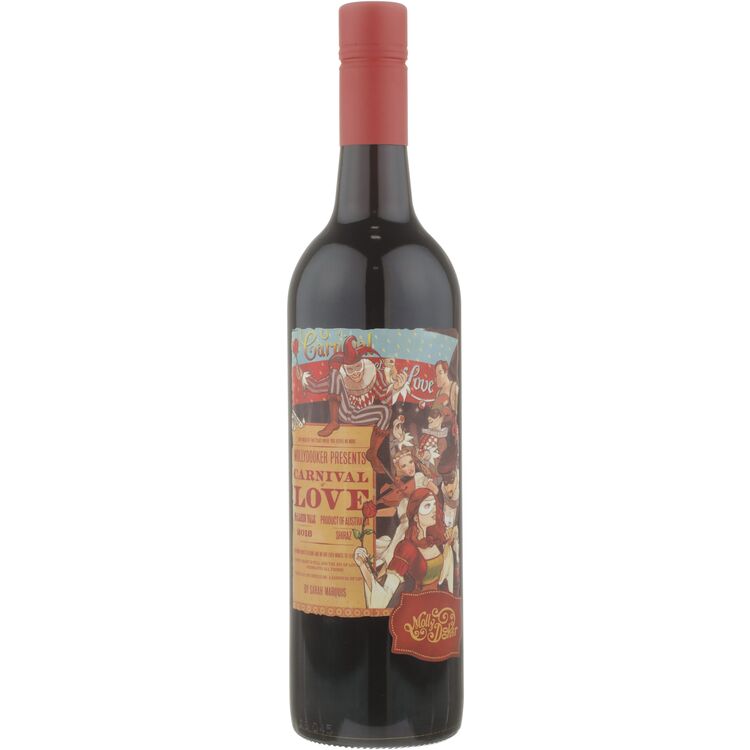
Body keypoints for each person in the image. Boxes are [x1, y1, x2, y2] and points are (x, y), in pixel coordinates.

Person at [301, 336, 404, 474]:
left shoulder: (372, 375)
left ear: (363, 365)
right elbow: (317, 386)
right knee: (335, 375)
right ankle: (333, 421)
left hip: (361, 414)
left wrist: (395, 389)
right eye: (350, 370)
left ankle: (372, 453)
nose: (355, 373)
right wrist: (303, 378)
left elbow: (385, 399)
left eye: (357, 368)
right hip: (344, 412)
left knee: (386, 411)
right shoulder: (341, 378)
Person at [354, 487, 456, 609]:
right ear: (416, 517)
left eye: (434, 504)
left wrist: (448, 545)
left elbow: (441, 577)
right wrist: (362, 566)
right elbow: (386, 593)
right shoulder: (406, 548)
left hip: (435, 607)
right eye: (427, 506)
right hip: (417, 610)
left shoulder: (433, 542)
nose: (434, 509)